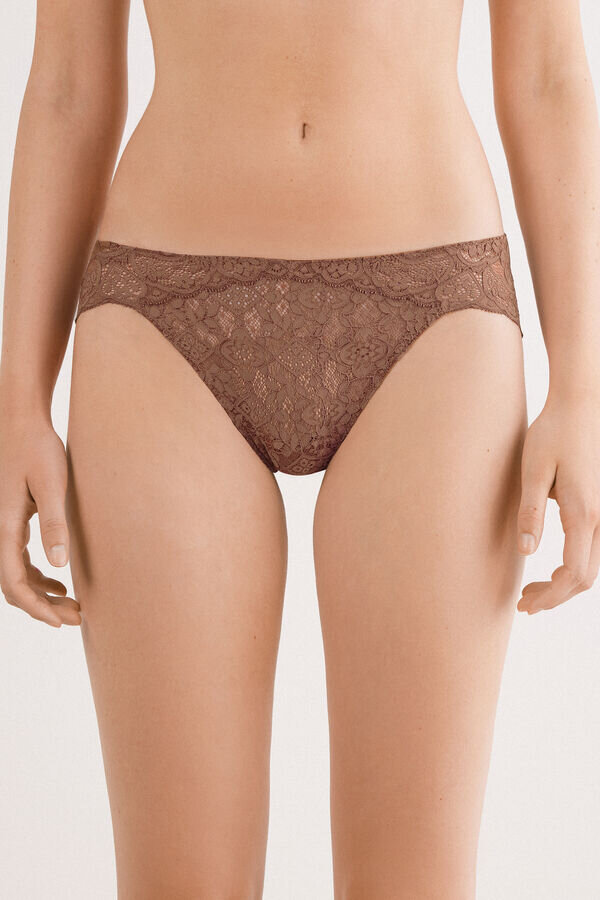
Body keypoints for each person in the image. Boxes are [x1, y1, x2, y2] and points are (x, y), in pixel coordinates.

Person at [1, 1, 599, 896]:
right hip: (162, 314)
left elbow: (550, 73)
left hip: (434, 311)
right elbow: (67, 85)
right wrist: (18, 403)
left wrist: (582, 390)